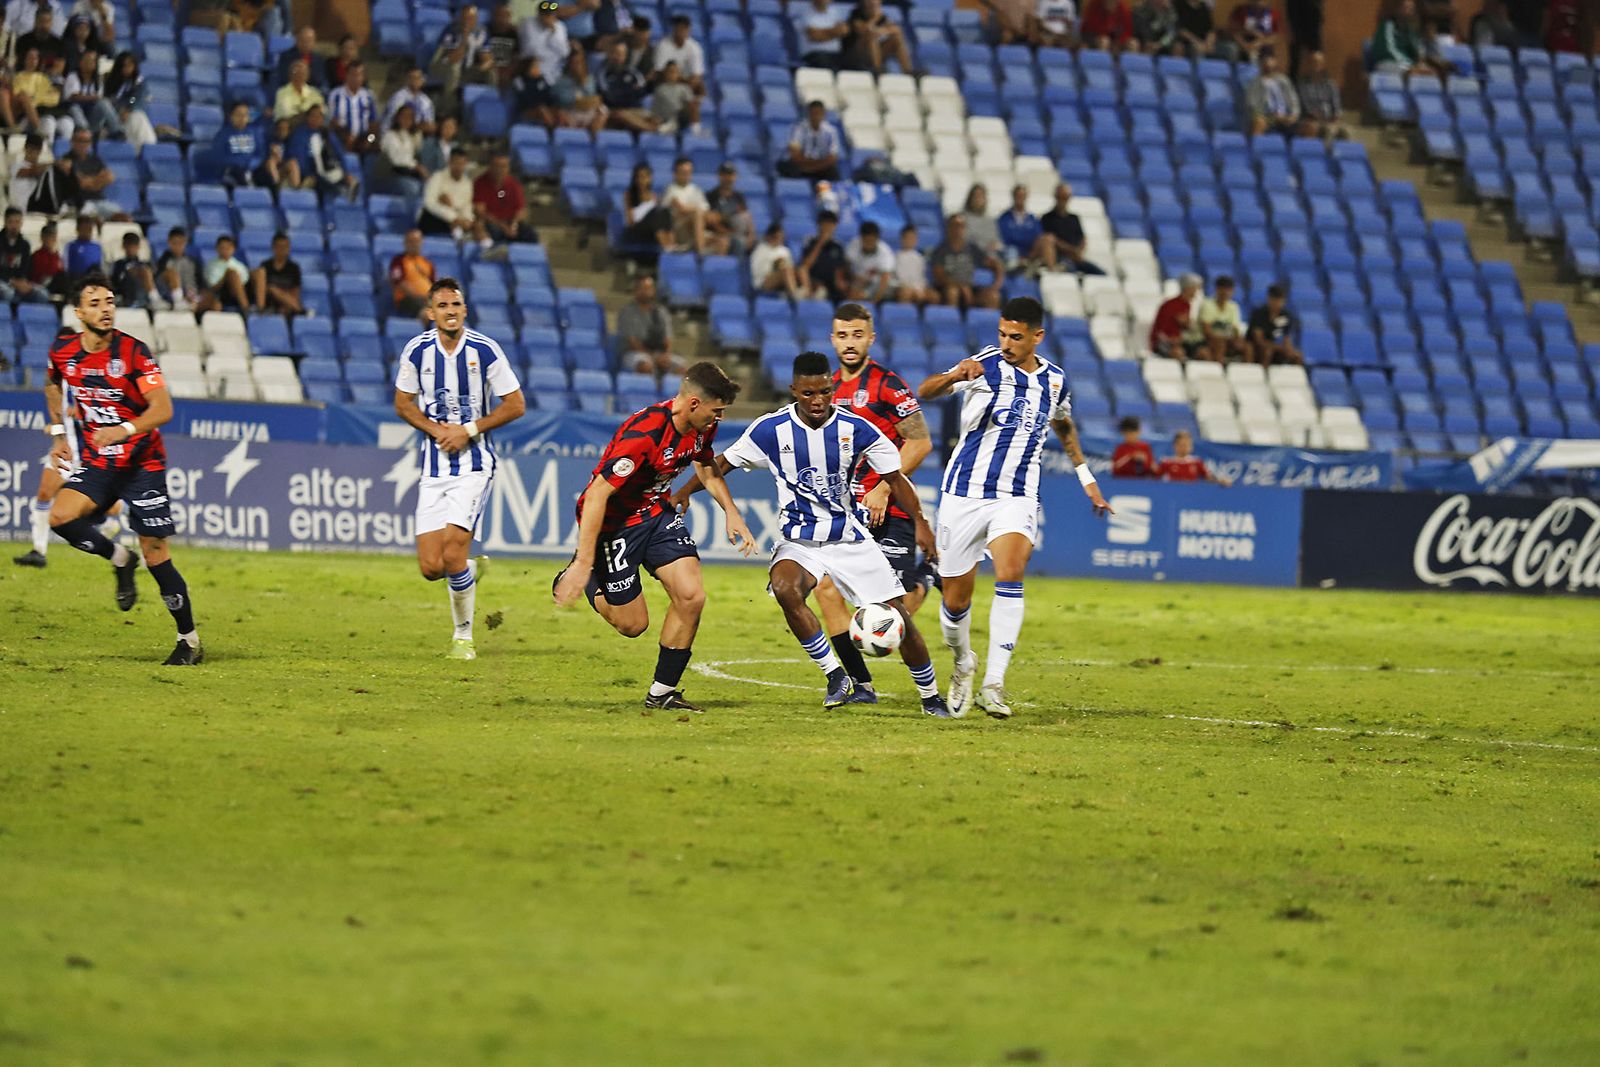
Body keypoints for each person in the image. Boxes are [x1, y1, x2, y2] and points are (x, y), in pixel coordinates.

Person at [675, 351, 948, 715]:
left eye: (824, 392)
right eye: (808, 394)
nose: (817, 401)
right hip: (799, 541)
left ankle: (931, 696)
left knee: (897, 616)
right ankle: (837, 676)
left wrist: (921, 525)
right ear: (794, 390)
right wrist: (681, 492)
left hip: (849, 537)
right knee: (787, 588)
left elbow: (895, 480)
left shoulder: (858, 429)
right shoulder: (770, 429)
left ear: (831, 387)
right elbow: (722, 463)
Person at [918, 296, 1111, 718]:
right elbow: (925, 391)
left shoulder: (1055, 381)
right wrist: (954, 375)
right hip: (963, 494)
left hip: (1017, 494)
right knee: (953, 605)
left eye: (1016, 337)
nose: (1006, 343)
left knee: (1011, 571)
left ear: (1037, 337)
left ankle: (994, 683)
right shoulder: (984, 364)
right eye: (1002, 334)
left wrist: (1087, 479)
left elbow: (1062, 423)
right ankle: (964, 661)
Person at [553, 362, 756, 713]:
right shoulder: (644, 434)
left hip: (657, 515)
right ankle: (583, 575)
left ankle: (662, 693)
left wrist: (731, 511)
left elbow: (706, 465)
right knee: (632, 625)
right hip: (616, 526)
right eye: (717, 411)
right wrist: (584, 561)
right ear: (694, 403)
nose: (718, 419)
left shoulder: (700, 427)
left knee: (691, 596)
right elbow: (597, 495)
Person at [45, 272, 203, 665]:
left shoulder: (134, 352)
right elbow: (52, 383)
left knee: (156, 553)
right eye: (95, 304)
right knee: (60, 516)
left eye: (110, 302)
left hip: (142, 463)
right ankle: (119, 558)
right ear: (78, 311)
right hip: (101, 462)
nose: (105, 310)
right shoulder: (64, 350)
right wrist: (59, 434)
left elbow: (163, 409)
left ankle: (189, 641)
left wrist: (124, 429)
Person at [807, 304, 937, 703]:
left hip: (888, 507)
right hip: (847, 513)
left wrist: (883, 485)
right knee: (826, 591)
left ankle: (925, 580)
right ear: (832, 339)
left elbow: (920, 441)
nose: (850, 342)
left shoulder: (887, 385)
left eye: (857, 335)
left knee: (891, 609)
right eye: (842, 335)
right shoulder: (827, 390)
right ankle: (861, 685)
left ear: (870, 338)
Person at [393, 278, 526, 660]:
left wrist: (468, 431)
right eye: (442, 305)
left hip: (475, 465)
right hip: (434, 468)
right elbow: (403, 404)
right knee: (431, 567)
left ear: (464, 310)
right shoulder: (417, 351)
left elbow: (516, 404)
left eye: (456, 304)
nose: (450, 311)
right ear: (430, 312)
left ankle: (463, 637)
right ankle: (466, 569)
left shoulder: (485, 350)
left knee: (450, 555)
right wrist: (438, 431)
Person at [13, 377, 127, 569]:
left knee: (110, 508)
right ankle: (38, 551)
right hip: (66, 451)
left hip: (90, 454)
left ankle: (110, 525)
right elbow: (58, 407)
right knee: (44, 493)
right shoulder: (62, 378)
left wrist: (79, 414)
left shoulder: (97, 378)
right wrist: (57, 427)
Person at [929, 214, 1003, 310]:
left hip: (970, 287)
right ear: (948, 228)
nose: (958, 229)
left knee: (993, 296)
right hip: (947, 288)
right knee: (952, 292)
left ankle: (987, 324)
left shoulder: (972, 248)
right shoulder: (940, 251)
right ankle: (951, 323)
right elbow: (939, 277)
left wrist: (996, 285)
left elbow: (995, 264)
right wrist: (961, 286)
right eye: (954, 225)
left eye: (961, 226)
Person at [616, 274, 681, 377]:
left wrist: (665, 356)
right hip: (633, 353)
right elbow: (632, 342)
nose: (646, 292)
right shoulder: (627, 312)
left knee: (683, 369)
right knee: (646, 366)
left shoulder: (661, 312)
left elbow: (667, 339)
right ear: (636, 291)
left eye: (648, 288)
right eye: (642, 288)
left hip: (659, 353)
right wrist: (654, 358)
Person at [420, 149, 488, 246]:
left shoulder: (467, 184)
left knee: (478, 225)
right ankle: (459, 236)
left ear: (466, 165)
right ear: (449, 163)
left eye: (461, 164)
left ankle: (484, 247)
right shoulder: (437, 177)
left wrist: (467, 220)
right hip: (434, 218)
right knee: (440, 218)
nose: (458, 167)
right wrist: (453, 218)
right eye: (455, 163)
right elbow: (429, 203)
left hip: (458, 220)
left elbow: (466, 206)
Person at [1040, 183, 1105, 275]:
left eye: (1065, 197)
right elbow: (1051, 240)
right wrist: (1072, 251)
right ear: (1055, 197)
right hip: (1061, 257)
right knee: (1070, 273)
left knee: (1101, 274)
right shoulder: (1047, 218)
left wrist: (1078, 252)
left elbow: (1082, 238)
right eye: (1061, 197)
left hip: (1076, 257)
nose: (1063, 200)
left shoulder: (1074, 218)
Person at [1370, 0, 1446, 79]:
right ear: (1396, 8)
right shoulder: (1387, 25)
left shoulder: (1409, 29)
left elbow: (1417, 52)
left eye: (1411, 9)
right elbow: (1388, 50)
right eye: (1406, 8)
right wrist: (1410, 67)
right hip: (1388, 63)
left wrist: (1421, 64)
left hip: (1407, 65)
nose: (1410, 11)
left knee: (1431, 73)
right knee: (1410, 71)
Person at [473, 151, 533, 245]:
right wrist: (502, 226)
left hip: (510, 222)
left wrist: (514, 224)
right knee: (493, 231)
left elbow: (521, 209)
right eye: (497, 166)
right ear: (490, 166)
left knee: (529, 234)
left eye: (504, 166)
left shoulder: (514, 185)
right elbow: (480, 211)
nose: (500, 170)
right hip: (491, 223)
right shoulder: (480, 183)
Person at [597, 38, 656, 132]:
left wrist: (623, 94)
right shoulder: (603, 74)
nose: (617, 57)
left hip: (634, 111)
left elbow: (641, 91)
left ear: (625, 56)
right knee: (621, 114)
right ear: (609, 54)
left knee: (654, 119)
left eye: (621, 54)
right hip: (613, 112)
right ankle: (653, 130)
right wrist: (629, 91)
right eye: (615, 53)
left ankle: (655, 129)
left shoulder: (634, 74)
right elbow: (610, 97)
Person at [103, 51, 159, 150]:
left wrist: (129, 108)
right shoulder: (110, 80)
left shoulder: (136, 82)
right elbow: (109, 99)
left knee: (137, 117)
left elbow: (134, 98)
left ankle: (147, 148)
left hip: (128, 114)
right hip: (112, 116)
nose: (127, 69)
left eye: (130, 65)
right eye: (124, 66)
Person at [663, 156, 719, 253]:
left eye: (689, 172)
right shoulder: (671, 189)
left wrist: (699, 212)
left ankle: (712, 266)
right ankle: (700, 252)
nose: (686, 175)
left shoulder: (696, 190)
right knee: (697, 214)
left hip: (697, 229)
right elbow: (682, 209)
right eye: (683, 172)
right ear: (676, 173)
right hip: (679, 230)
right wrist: (697, 210)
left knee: (722, 241)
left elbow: (707, 212)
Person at [431, 3, 487, 98]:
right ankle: (448, 106)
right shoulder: (451, 31)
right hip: (441, 66)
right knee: (454, 69)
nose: (466, 22)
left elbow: (486, 56)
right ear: (459, 18)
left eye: (470, 18)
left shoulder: (481, 32)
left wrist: (485, 65)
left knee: (490, 72)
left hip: (466, 69)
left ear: (476, 19)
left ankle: (490, 105)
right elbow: (454, 58)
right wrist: (464, 39)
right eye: (464, 18)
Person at [842, 0, 914, 74]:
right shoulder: (855, 16)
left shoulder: (881, 17)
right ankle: (877, 70)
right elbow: (864, 30)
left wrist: (882, 30)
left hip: (872, 55)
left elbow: (897, 30)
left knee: (896, 39)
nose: (873, 2)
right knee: (871, 37)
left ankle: (908, 71)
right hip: (854, 57)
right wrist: (875, 19)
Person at [64, 46, 122, 138]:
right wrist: (91, 97)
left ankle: (116, 131)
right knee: (75, 108)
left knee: (104, 103)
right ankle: (84, 132)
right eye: (86, 61)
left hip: (92, 116)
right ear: (80, 63)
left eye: (91, 61)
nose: (88, 63)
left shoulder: (98, 80)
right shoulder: (73, 76)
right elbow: (73, 97)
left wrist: (89, 98)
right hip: (75, 115)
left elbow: (99, 99)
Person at [997, 184, 1055, 272]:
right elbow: (1004, 239)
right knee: (1011, 251)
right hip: (1012, 253)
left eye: (1022, 196)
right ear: (1013, 196)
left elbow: (1038, 236)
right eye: (1018, 195)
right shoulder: (1004, 218)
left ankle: (1052, 272)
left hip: (1030, 254)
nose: (1020, 198)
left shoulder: (1032, 219)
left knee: (1047, 239)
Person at [778, 100, 841, 182]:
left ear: (824, 114)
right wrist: (811, 165)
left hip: (820, 167)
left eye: (818, 113)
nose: (816, 117)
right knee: (787, 167)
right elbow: (795, 155)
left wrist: (812, 167)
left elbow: (833, 158)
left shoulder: (831, 131)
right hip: (801, 166)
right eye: (813, 113)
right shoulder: (798, 129)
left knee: (833, 173)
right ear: (809, 114)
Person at [621, 161, 671, 262]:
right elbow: (630, 221)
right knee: (656, 215)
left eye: (645, 177)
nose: (642, 180)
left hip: (652, 232)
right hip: (636, 230)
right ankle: (668, 250)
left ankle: (671, 248)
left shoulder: (654, 196)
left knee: (665, 212)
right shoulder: (629, 195)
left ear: (650, 178)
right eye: (639, 177)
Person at [1245, 51, 1302, 137]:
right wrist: (1274, 117)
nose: (1267, 63)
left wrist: (1293, 116)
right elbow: (1252, 106)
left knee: (1309, 127)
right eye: (1264, 61)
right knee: (1259, 123)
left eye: (1270, 60)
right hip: (1268, 118)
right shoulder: (1254, 83)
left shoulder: (1284, 80)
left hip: (1286, 118)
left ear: (1275, 62)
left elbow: (1293, 101)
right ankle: (1255, 149)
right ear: (1260, 64)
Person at [327, 59, 378, 156]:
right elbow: (332, 122)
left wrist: (369, 140)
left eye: (359, 75)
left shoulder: (369, 96)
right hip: (342, 136)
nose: (356, 78)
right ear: (346, 76)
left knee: (374, 148)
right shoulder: (336, 95)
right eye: (353, 74)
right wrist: (346, 136)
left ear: (363, 77)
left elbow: (374, 125)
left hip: (364, 138)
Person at [0, 207, 49, 304]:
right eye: (11, 222)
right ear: (5, 222)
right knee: (7, 293)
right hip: (3, 282)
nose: (14, 226)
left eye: (17, 222)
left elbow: (25, 269)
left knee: (42, 294)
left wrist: (23, 283)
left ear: (21, 223)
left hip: (17, 283)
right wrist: (11, 281)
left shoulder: (25, 245)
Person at [799, 209, 848, 303]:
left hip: (831, 287)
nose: (827, 228)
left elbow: (839, 271)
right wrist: (820, 243)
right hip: (812, 282)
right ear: (819, 225)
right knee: (817, 292)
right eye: (824, 224)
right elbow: (805, 265)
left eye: (830, 225)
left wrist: (841, 285)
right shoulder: (810, 242)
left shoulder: (838, 247)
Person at [213, 99, 265, 188]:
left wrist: (251, 164)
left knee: (266, 174)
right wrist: (241, 162)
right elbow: (219, 157)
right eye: (239, 115)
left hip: (251, 168)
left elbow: (260, 154)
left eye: (245, 115)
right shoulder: (223, 134)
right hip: (232, 170)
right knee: (238, 173)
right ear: (231, 116)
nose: (242, 118)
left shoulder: (255, 133)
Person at [380, 104, 428, 198]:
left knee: (428, 188)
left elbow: (418, 155)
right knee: (413, 188)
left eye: (410, 117)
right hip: (392, 175)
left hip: (409, 175)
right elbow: (396, 160)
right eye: (404, 116)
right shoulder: (390, 136)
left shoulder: (411, 137)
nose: (407, 120)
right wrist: (416, 166)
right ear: (397, 118)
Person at [1150, 272, 1201, 360]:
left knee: (1201, 352)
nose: (1196, 292)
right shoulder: (1171, 305)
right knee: (1178, 353)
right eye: (1195, 288)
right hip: (1162, 342)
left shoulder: (1186, 305)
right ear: (1188, 288)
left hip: (1178, 341)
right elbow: (1162, 331)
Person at [554, 48, 607, 133]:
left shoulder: (590, 79)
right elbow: (565, 100)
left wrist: (582, 83)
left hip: (587, 111)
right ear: (569, 64)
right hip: (570, 112)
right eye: (574, 62)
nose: (577, 65)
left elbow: (593, 98)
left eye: (580, 62)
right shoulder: (561, 81)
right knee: (560, 113)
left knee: (603, 110)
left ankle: (593, 138)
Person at [706, 161, 753, 256]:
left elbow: (747, 218)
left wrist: (751, 236)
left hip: (739, 233)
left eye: (731, 174)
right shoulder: (711, 196)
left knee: (759, 245)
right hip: (720, 235)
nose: (728, 178)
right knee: (736, 242)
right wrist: (729, 234)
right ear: (720, 176)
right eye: (725, 175)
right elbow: (712, 221)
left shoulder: (739, 197)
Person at [251, 231, 303, 317]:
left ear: (289, 248)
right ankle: (301, 311)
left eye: (285, 247)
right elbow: (262, 289)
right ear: (273, 248)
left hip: (287, 303)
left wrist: (286, 304)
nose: (282, 250)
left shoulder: (294, 268)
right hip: (269, 302)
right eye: (279, 247)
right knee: (272, 289)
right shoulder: (265, 266)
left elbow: (295, 293)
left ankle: (298, 310)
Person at [1297, 50, 1345, 142]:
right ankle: (1323, 153)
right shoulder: (1303, 84)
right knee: (1317, 128)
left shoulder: (1331, 85)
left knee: (1343, 131)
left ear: (1323, 65)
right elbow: (1307, 107)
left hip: (1329, 120)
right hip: (1310, 119)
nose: (1316, 65)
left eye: (1319, 63)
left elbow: (1336, 106)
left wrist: (1335, 120)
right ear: (1309, 64)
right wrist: (1322, 120)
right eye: (1314, 62)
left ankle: (1340, 155)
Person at [1247, 283, 1301, 366]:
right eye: (1275, 300)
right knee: (1267, 351)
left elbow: (1286, 338)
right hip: (1255, 346)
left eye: (1280, 300)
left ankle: (1293, 378)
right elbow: (1258, 340)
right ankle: (1264, 376)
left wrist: (1288, 349)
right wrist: (1278, 347)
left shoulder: (1286, 316)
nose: (1277, 303)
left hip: (1275, 347)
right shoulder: (1258, 314)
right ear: (1269, 299)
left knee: (1297, 356)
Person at [652, 12, 706, 95]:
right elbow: (659, 71)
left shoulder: (695, 47)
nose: (680, 31)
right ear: (674, 29)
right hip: (666, 80)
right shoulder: (663, 45)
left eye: (683, 28)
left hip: (686, 82)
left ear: (688, 30)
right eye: (678, 28)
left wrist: (685, 83)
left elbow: (697, 75)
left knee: (701, 87)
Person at [389, 227, 436, 319]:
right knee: (426, 310)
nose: (414, 244)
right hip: (407, 299)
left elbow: (434, 286)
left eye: (417, 241)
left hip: (427, 300)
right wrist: (422, 297)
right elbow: (400, 283)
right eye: (411, 241)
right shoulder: (398, 261)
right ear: (405, 243)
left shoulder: (428, 263)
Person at [1197, 275, 1246, 362]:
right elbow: (1207, 331)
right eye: (1223, 289)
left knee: (1247, 347)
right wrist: (1224, 338)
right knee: (1220, 343)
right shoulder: (1207, 304)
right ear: (1217, 289)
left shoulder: (1233, 307)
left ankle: (1248, 372)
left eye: (1229, 290)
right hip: (1207, 341)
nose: (1226, 293)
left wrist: (1238, 339)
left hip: (1227, 340)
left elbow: (1235, 329)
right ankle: (1220, 371)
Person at [844, 221, 896, 303]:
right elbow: (846, 266)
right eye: (866, 241)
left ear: (877, 239)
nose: (869, 244)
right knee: (852, 293)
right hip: (857, 280)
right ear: (861, 238)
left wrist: (874, 301)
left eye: (871, 241)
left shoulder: (885, 252)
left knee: (861, 295)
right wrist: (853, 277)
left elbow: (885, 279)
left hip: (878, 284)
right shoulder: (854, 244)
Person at [154, 226, 203, 311]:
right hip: (169, 295)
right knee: (171, 273)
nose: (177, 246)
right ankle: (179, 302)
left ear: (185, 242)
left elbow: (199, 283)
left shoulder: (192, 262)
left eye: (180, 243)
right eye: (174, 243)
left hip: (191, 295)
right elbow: (158, 281)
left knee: (213, 301)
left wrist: (192, 296)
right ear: (169, 243)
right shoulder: (163, 261)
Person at [198, 234, 249, 314]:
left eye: (228, 248)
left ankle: (251, 309)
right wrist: (227, 275)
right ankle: (246, 309)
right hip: (220, 293)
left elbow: (244, 282)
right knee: (231, 273)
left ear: (233, 249)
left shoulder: (239, 265)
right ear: (217, 249)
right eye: (222, 248)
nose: (225, 251)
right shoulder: (211, 265)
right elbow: (213, 286)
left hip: (237, 292)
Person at [519, 0, 571, 76]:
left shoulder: (559, 26)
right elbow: (531, 49)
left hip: (553, 67)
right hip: (531, 65)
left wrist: (553, 32)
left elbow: (565, 52)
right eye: (546, 15)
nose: (549, 18)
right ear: (539, 14)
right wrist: (552, 52)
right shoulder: (528, 24)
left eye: (552, 14)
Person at [1159, 429, 1230, 484]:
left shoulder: (1196, 462)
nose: (1185, 448)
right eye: (1182, 445)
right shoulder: (1167, 462)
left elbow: (1208, 477)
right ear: (1175, 446)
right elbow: (1155, 478)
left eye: (1187, 445)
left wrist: (1220, 481)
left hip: (1191, 497)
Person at [384, 64, 438, 136]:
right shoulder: (398, 98)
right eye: (413, 78)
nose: (416, 81)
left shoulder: (426, 101)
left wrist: (427, 127)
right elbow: (395, 122)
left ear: (422, 80)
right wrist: (419, 126)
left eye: (418, 78)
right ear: (407, 80)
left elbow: (430, 125)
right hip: (397, 136)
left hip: (418, 137)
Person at [109, 230, 158, 309]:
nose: (131, 248)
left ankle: (154, 299)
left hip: (142, 293)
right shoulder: (119, 263)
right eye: (129, 245)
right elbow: (115, 280)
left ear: (138, 247)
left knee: (145, 271)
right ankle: (154, 299)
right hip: (125, 292)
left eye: (134, 245)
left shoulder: (145, 264)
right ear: (124, 246)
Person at [750, 221, 801, 298]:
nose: (779, 240)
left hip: (782, 280)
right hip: (764, 281)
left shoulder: (785, 251)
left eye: (781, 237)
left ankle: (808, 293)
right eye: (776, 237)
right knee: (785, 271)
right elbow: (754, 271)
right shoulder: (760, 250)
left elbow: (790, 267)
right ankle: (795, 296)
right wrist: (773, 267)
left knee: (801, 270)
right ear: (770, 236)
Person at [649, 59, 698, 135]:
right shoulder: (659, 90)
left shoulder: (684, 88)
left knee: (692, 104)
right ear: (665, 73)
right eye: (670, 72)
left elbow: (691, 107)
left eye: (675, 72)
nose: (672, 74)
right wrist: (656, 119)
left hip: (681, 118)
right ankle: (669, 126)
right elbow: (655, 109)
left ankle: (695, 129)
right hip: (665, 119)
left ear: (679, 74)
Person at [892, 223, 936, 306]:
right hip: (901, 287)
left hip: (918, 287)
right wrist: (911, 288)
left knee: (934, 296)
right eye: (907, 238)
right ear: (902, 239)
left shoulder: (920, 258)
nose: (910, 240)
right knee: (906, 293)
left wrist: (920, 289)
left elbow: (921, 277)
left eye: (912, 238)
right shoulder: (895, 257)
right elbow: (896, 279)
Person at [797, 0, 848, 68]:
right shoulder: (805, 11)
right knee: (824, 62)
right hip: (814, 56)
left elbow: (844, 31)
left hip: (836, 55)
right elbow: (814, 36)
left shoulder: (835, 12)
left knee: (853, 63)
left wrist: (825, 33)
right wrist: (835, 32)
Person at [510, 55, 558, 127]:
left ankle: (568, 134)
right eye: (535, 66)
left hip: (541, 109)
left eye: (538, 66)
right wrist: (538, 102)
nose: (538, 69)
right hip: (524, 112)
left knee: (559, 111)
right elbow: (524, 100)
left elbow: (548, 96)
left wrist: (554, 102)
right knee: (541, 109)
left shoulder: (541, 81)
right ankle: (553, 133)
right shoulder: (519, 81)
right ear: (527, 68)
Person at [273, 59, 325, 124]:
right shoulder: (281, 93)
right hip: (291, 129)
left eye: (302, 73)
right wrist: (307, 114)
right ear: (290, 75)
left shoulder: (315, 93)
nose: (299, 76)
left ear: (307, 75)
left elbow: (322, 112)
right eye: (296, 73)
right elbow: (286, 114)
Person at [961, 184, 1002, 261]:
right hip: (974, 255)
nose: (978, 200)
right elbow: (965, 241)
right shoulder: (963, 218)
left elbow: (996, 239)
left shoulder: (990, 220)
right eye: (976, 196)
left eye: (981, 196)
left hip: (993, 254)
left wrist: (997, 245)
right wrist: (986, 246)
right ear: (970, 199)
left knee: (1012, 251)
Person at [30, 222, 67, 298]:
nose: (50, 239)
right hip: (39, 284)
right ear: (42, 238)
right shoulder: (37, 255)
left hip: (54, 285)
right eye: (48, 236)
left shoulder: (57, 256)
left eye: (53, 237)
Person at [64, 213, 101, 280]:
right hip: (76, 279)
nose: (87, 231)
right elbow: (65, 266)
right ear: (78, 229)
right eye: (84, 228)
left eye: (89, 229)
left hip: (93, 280)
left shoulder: (97, 247)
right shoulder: (71, 246)